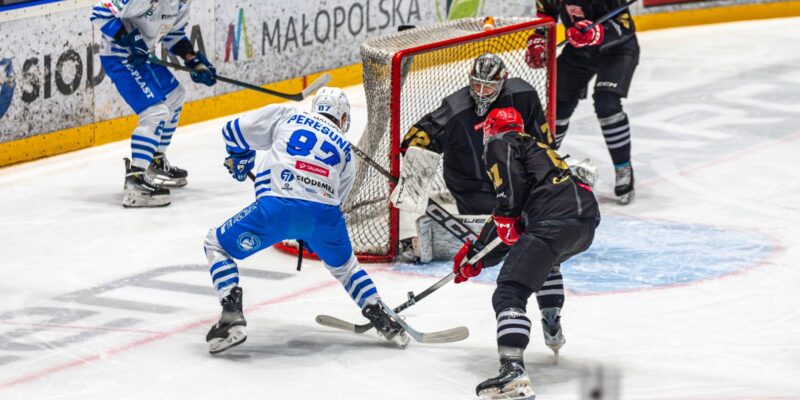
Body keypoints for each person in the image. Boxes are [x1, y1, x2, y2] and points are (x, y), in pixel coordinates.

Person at [202, 87, 405, 354]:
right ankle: (380, 314)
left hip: (276, 206)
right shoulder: (345, 150)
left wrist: (241, 158)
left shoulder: (288, 116)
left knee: (216, 244)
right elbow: (334, 202)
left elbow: (232, 131)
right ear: (342, 118)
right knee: (347, 268)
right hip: (325, 218)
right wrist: (309, 235)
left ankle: (231, 311)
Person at [399, 52, 570, 355]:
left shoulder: (524, 97)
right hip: (471, 185)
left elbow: (544, 140)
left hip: (515, 181)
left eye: (488, 87)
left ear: (502, 84)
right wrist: (413, 154)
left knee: (528, 246)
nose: (481, 93)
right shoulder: (456, 108)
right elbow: (417, 135)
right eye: (476, 86)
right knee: (513, 242)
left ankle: (547, 312)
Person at [452, 107, 599, 399]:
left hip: (553, 221)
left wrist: (478, 254)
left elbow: (510, 205)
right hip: (584, 224)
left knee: (509, 293)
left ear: (493, 129)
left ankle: (512, 371)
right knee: (547, 262)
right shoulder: (540, 147)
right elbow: (513, 218)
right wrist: (478, 253)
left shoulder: (500, 143)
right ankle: (552, 325)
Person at [90, 0, 217, 208]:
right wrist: (128, 39)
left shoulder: (181, 3)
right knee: (155, 112)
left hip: (142, 56)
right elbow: (100, 12)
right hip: (119, 55)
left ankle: (154, 160)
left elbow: (172, 33)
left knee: (175, 96)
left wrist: (192, 59)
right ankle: (136, 179)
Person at [529, 0, 639, 204]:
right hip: (579, 50)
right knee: (558, 106)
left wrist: (598, 32)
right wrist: (538, 40)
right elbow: (546, 16)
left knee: (607, 104)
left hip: (617, 50)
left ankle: (623, 168)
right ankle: (541, 170)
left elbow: (624, 25)